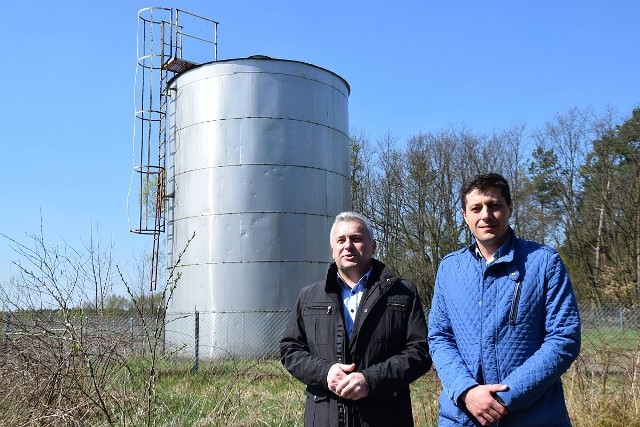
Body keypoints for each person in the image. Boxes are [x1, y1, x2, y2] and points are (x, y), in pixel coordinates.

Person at [428, 173, 581, 426]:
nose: (485, 215)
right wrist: (466, 391)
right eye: (476, 208)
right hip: (462, 417)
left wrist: (504, 397)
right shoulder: (449, 268)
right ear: (465, 216)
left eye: (494, 205)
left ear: (509, 208)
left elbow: (564, 338)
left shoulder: (543, 262)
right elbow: (439, 337)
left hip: (533, 417)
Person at [281, 211, 431, 427]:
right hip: (325, 417)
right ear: (333, 249)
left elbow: (420, 352)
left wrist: (370, 380)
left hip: (386, 416)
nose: (348, 245)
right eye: (340, 240)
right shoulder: (309, 296)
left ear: (373, 246)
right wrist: (325, 372)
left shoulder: (403, 293)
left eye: (357, 238)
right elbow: (290, 349)